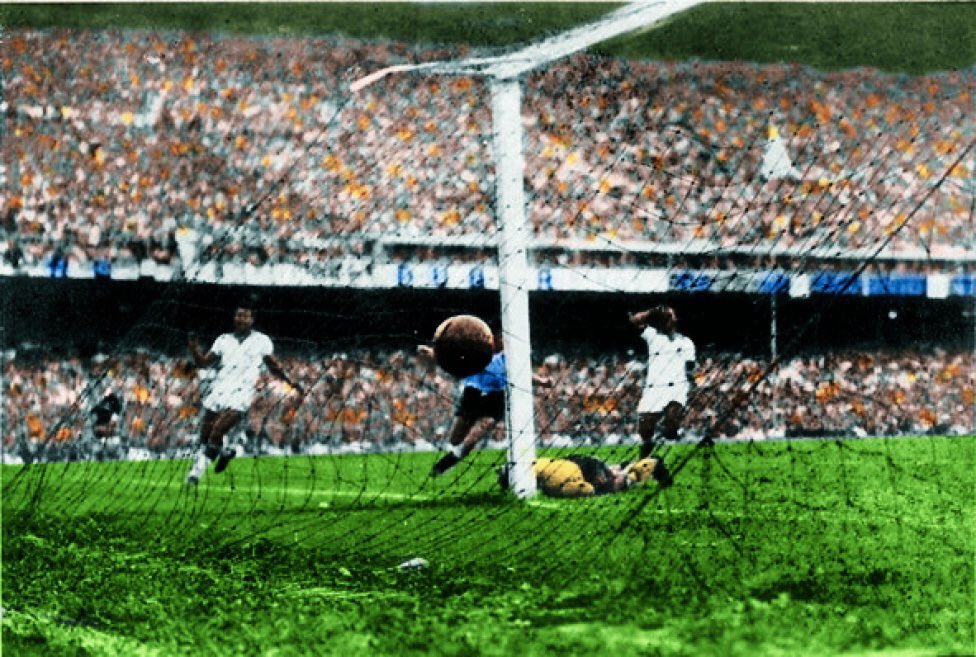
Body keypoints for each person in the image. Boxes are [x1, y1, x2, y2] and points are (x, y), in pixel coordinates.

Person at [185, 303, 303, 485]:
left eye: (245, 316)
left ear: (252, 319)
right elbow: (203, 363)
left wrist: (290, 382)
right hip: (219, 389)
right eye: (238, 315)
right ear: (234, 318)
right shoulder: (223, 340)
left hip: (241, 393)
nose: (241, 319)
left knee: (218, 431)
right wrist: (194, 349)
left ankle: (195, 474)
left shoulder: (261, 341)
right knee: (205, 435)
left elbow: (273, 366)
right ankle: (224, 453)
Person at [419, 332, 552, 477]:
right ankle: (453, 453)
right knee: (456, 437)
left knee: (481, 429)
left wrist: (542, 381)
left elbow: (523, 373)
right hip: (473, 392)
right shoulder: (478, 351)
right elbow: (454, 360)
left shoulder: (509, 358)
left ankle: (447, 462)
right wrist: (433, 352)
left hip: (496, 396)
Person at [628, 305, 696, 459]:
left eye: (671, 317)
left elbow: (690, 367)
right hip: (654, 388)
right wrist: (652, 311)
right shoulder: (652, 335)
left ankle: (663, 459)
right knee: (645, 428)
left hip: (676, 387)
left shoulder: (686, 342)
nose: (669, 320)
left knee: (671, 422)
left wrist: (691, 385)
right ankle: (647, 459)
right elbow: (634, 320)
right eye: (666, 317)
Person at [498, 454, 672, 497]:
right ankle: (644, 465)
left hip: (572, 471)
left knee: (610, 484)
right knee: (611, 478)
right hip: (576, 466)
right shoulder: (532, 462)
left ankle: (647, 465)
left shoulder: (530, 468)